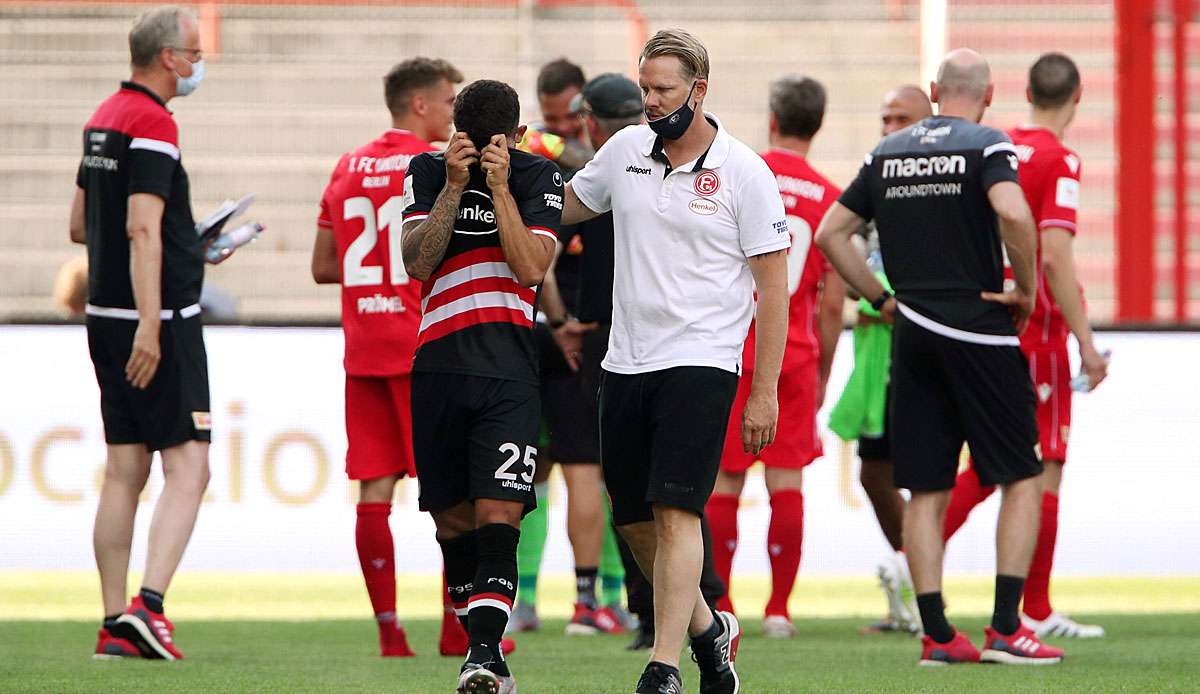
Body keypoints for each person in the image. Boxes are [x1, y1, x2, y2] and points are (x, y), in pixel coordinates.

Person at [815, 48, 1065, 666]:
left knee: (924, 489)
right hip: (980, 328)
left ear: (933, 89)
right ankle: (1007, 627)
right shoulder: (987, 143)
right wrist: (1026, 289)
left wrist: (879, 297)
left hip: (913, 330)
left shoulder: (887, 153)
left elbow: (830, 234)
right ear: (988, 92)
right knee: (1023, 476)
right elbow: (1012, 211)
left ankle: (937, 634)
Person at [562, 29, 791, 693]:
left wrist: (763, 391)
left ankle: (663, 666)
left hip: (703, 360)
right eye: (644, 90)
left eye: (663, 90)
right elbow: (573, 203)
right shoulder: (626, 148)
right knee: (634, 521)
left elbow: (773, 289)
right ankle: (708, 632)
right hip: (625, 361)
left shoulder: (745, 172)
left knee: (674, 513)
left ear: (700, 89)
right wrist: (511, 181)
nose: (651, 103)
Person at [311, 56, 506, 658]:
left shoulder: (346, 167)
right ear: (420, 104)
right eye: (450, 102)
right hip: (423, 344)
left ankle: (390, 632)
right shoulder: (429, 167)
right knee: (454, 492)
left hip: (361, 348)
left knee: (374, 491)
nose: (456, 115)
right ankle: (458, 628)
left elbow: (322, 266)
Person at [400, 79, 561, 694]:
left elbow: (529, 268)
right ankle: (483, 655)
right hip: (438, 368)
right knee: (452, 524)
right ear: (453, 136)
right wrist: (453, 185)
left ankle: (485, 658)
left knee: (500, 514)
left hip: (509, 373)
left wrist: (498, 189)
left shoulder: (537, 177)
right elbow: (418, 262)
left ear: (517, 139)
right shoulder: (425, 170)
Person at [940, 52, 1109, 639]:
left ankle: (917, 564)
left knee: (993, 466)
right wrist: (1085, 342)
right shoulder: (1061, 159)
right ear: (1078, 95)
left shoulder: (1000, 146)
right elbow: (1055, 253)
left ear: (1026, 91)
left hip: (985, 327)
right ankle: (1033, 607)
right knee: (1041, 470)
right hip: (1035, 333)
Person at [569, 72, 729, 653]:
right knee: (637, 507)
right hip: (621, 348)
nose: (652, 102)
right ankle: (706, 620)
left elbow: (769, 274)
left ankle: (664, 646)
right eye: (645, 92)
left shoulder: (732, 168)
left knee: (675, 499)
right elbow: (564, 211)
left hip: (688, 351)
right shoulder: (615, 161)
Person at [72, 5, 211, 661]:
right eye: (194, 51)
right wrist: (153, 324)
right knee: (190, 465)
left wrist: (191, 245)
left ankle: (111, 622)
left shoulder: (102, 118)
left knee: (125, 468)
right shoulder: (154, 123)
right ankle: (149, 608)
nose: (197, 63)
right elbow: (139, 227)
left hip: (103, 312)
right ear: (167, 58)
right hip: (154, 319)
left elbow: (82, 224)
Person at [705, 74, 844, 639]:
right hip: (795, 354)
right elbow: (832, 305)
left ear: (772, 118)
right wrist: (825, 370)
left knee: (723, 485)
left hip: (735, 348)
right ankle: (780, 609)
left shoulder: (737, 172)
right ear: (818, 124)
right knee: (787, 483)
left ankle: (724, 601)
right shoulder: (829, 197)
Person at [508, 57, 630, 637]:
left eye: (569, 117)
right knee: (574, 470)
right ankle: (579, 599)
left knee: (563, 470)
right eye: (552, 117)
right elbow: (545, 255)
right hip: (570, 336)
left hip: (563, 332)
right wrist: (561, 322)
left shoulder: (554, 161)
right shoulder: (576, 166)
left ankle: (582, 597)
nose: (560, 129)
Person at [835, 85, 932, 636]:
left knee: (922, 475)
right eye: (884, 116)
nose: (890, 126)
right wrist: (876, 293)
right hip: (880, 354)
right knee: (876, 472)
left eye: (902, 117)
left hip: (926, 351)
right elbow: (842, 246)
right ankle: (912, 574)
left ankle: (925, 590)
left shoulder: (943, 182)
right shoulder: (873, 181)